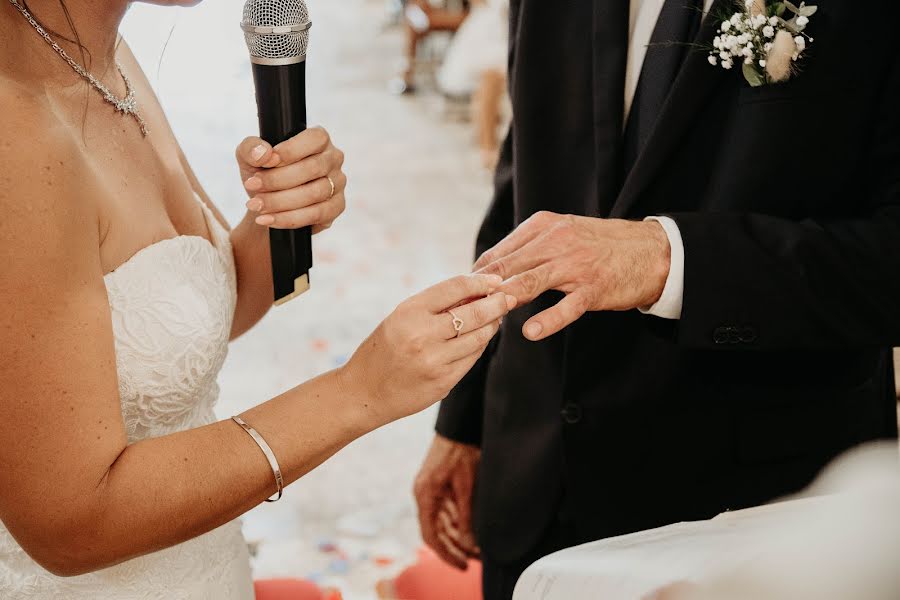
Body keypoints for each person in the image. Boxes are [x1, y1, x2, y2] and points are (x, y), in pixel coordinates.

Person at [0, 1, 516, 597]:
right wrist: (359, 391)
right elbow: (72, 525)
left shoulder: (100, 55)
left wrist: (278, 219)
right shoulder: (16, 131)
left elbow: (212, 311)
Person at [414, 1, 900, 599]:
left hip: (746, 514)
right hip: (537, 480)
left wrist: (668, 258)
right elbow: (526, 183)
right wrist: (465, 421)